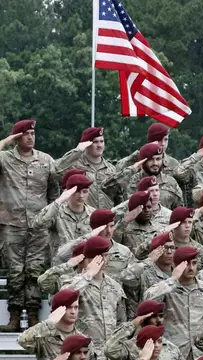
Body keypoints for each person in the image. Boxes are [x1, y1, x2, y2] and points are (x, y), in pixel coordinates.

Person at [0, 119, 58, 329]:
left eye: (33, 133)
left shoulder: (46, 160)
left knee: (35, 271)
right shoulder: (5, 159)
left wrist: (51, 219)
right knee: (15, 271)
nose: (31, 137)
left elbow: (54, 192)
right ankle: (14, 316)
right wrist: (6, 141)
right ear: (17, 137)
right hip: (11, 224)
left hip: (38, 225)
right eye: (25, 134)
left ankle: (33, 315)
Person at [144, 246, 203, 359]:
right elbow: (148, 300)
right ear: (175, 265)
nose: (191, 268)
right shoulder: (167, 288)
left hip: (200, 351)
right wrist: (172, 279)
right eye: (186, 264)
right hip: (173, 352)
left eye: (194, 263)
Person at [103, 142, 183, 209]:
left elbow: (179, 211)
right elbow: (106, 188)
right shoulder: (130, 180)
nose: (155, 163)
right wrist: (132, 169)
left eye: (158, 159)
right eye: (151, 159)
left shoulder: (171, 182)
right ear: (143, 161)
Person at [33, 173, 95, 257]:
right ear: (68, 192)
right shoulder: (56, 212)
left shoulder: (94, 214)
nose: (81, 196)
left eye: (85, 192)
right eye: (76, 192)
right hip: (61, 266)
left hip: (86, 264)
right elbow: (37, 224)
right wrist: (59, 201)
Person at [18, 289, 91, 360]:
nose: (73, 312)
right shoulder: (44, 337)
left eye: (76, 307)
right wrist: (49, 323)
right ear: (58, 310)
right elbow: (22, 341)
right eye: (69, 307)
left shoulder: (83, 339)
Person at [55, 127, 116, 209]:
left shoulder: (111, 168)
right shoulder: (73, 165)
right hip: (82, 218)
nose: (100, 145)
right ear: (87, 144)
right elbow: (55, 171)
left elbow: (117, 196)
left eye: (102, 141)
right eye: (95, 142)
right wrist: (78, 150)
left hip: (105, 218)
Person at [104, 300, 182, 360]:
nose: (159, 320)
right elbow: (109, 350)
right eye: (154, 316)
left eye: (161, 316)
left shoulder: (172, 348)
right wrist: (132, 324)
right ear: (142, 320)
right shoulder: (130, 346)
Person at [114, 123, 180, 174]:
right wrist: (139, 154)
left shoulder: (173, 163)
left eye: (166, 139)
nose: (163, 143)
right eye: (159, 140)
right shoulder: (136, 159)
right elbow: (118, 169)